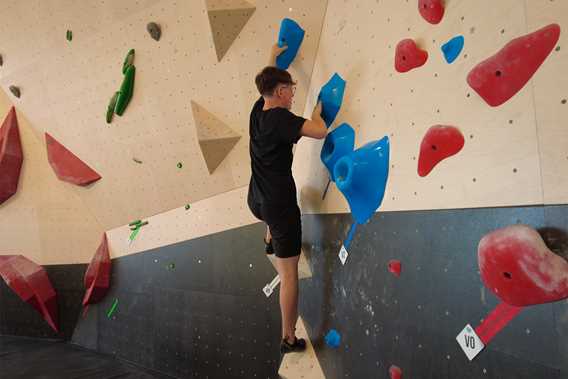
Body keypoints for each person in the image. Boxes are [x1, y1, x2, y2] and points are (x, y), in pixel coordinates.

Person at [247, 44, 327, 354]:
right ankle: (288, 338)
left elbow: (265, 80)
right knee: (289, 273)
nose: (293, 94)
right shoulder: (281, 119)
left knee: (272, 226)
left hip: (256, 199)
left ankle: (269, 239)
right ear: (279, 92)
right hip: (279, 208)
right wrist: (317, 112)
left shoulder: (258, 110)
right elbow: (319, 131)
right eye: (290, 90)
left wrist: (272, 55)